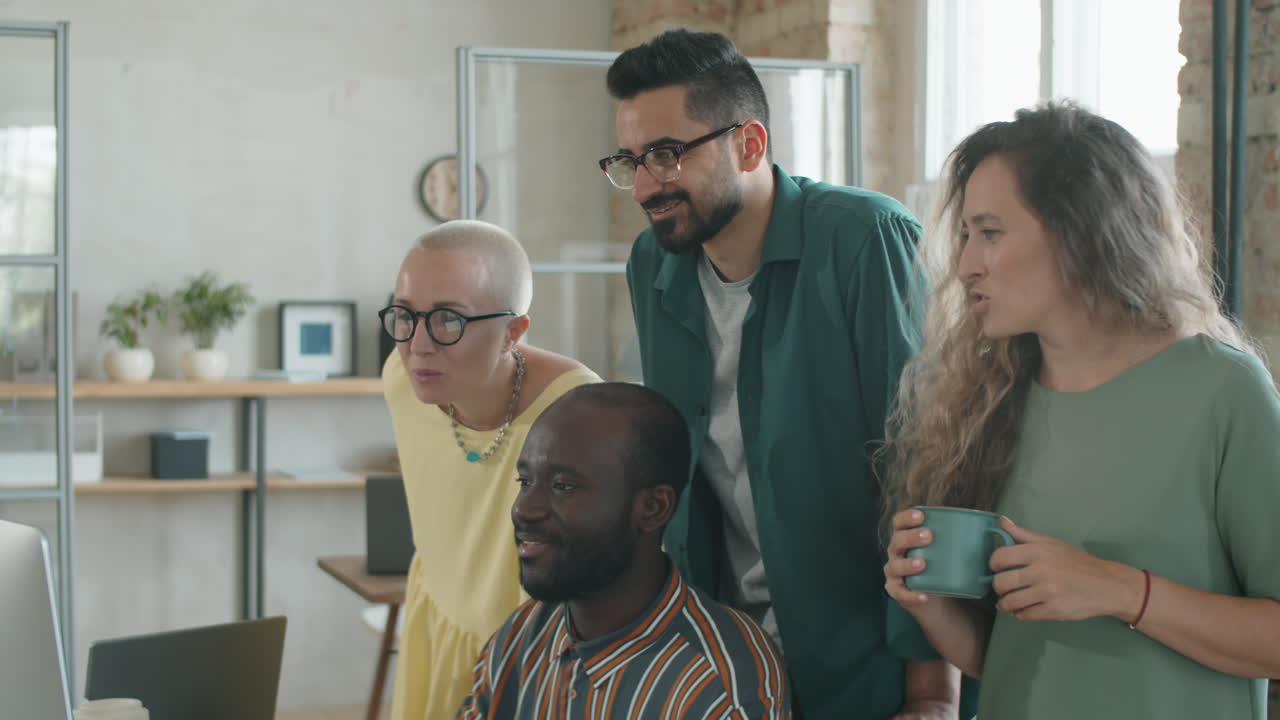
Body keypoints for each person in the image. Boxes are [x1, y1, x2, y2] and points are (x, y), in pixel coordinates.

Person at [603, 29, 968, 719]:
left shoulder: (865, 239)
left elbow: (929, 464)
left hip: (868, 659)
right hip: (722, 657)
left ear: (749, 144)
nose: (645, 185)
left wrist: (933, 690)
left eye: (667, 154)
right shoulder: (653, 264)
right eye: (631, 160)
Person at [881, 102, 1280, 719]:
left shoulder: (1222, 389)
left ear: (1079, 231)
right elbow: (1005, 657)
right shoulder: (988, 400)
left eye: (990, 232)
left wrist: (1122, 591)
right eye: (964, 236)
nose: (965, 266)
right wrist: (928, 602)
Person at [456, 382, 791, 719]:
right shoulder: (521, 637)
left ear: (653, 508)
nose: (523, 509)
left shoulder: (719, 688)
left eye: (563, 486)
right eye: (525, 482)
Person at [380, 219, 600, 720]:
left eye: (448, 320)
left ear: (512, 332)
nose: (418, 345)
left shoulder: (577, 415)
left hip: (538, 654)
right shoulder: (402, 380)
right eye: (404, 315)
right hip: (438, 627)